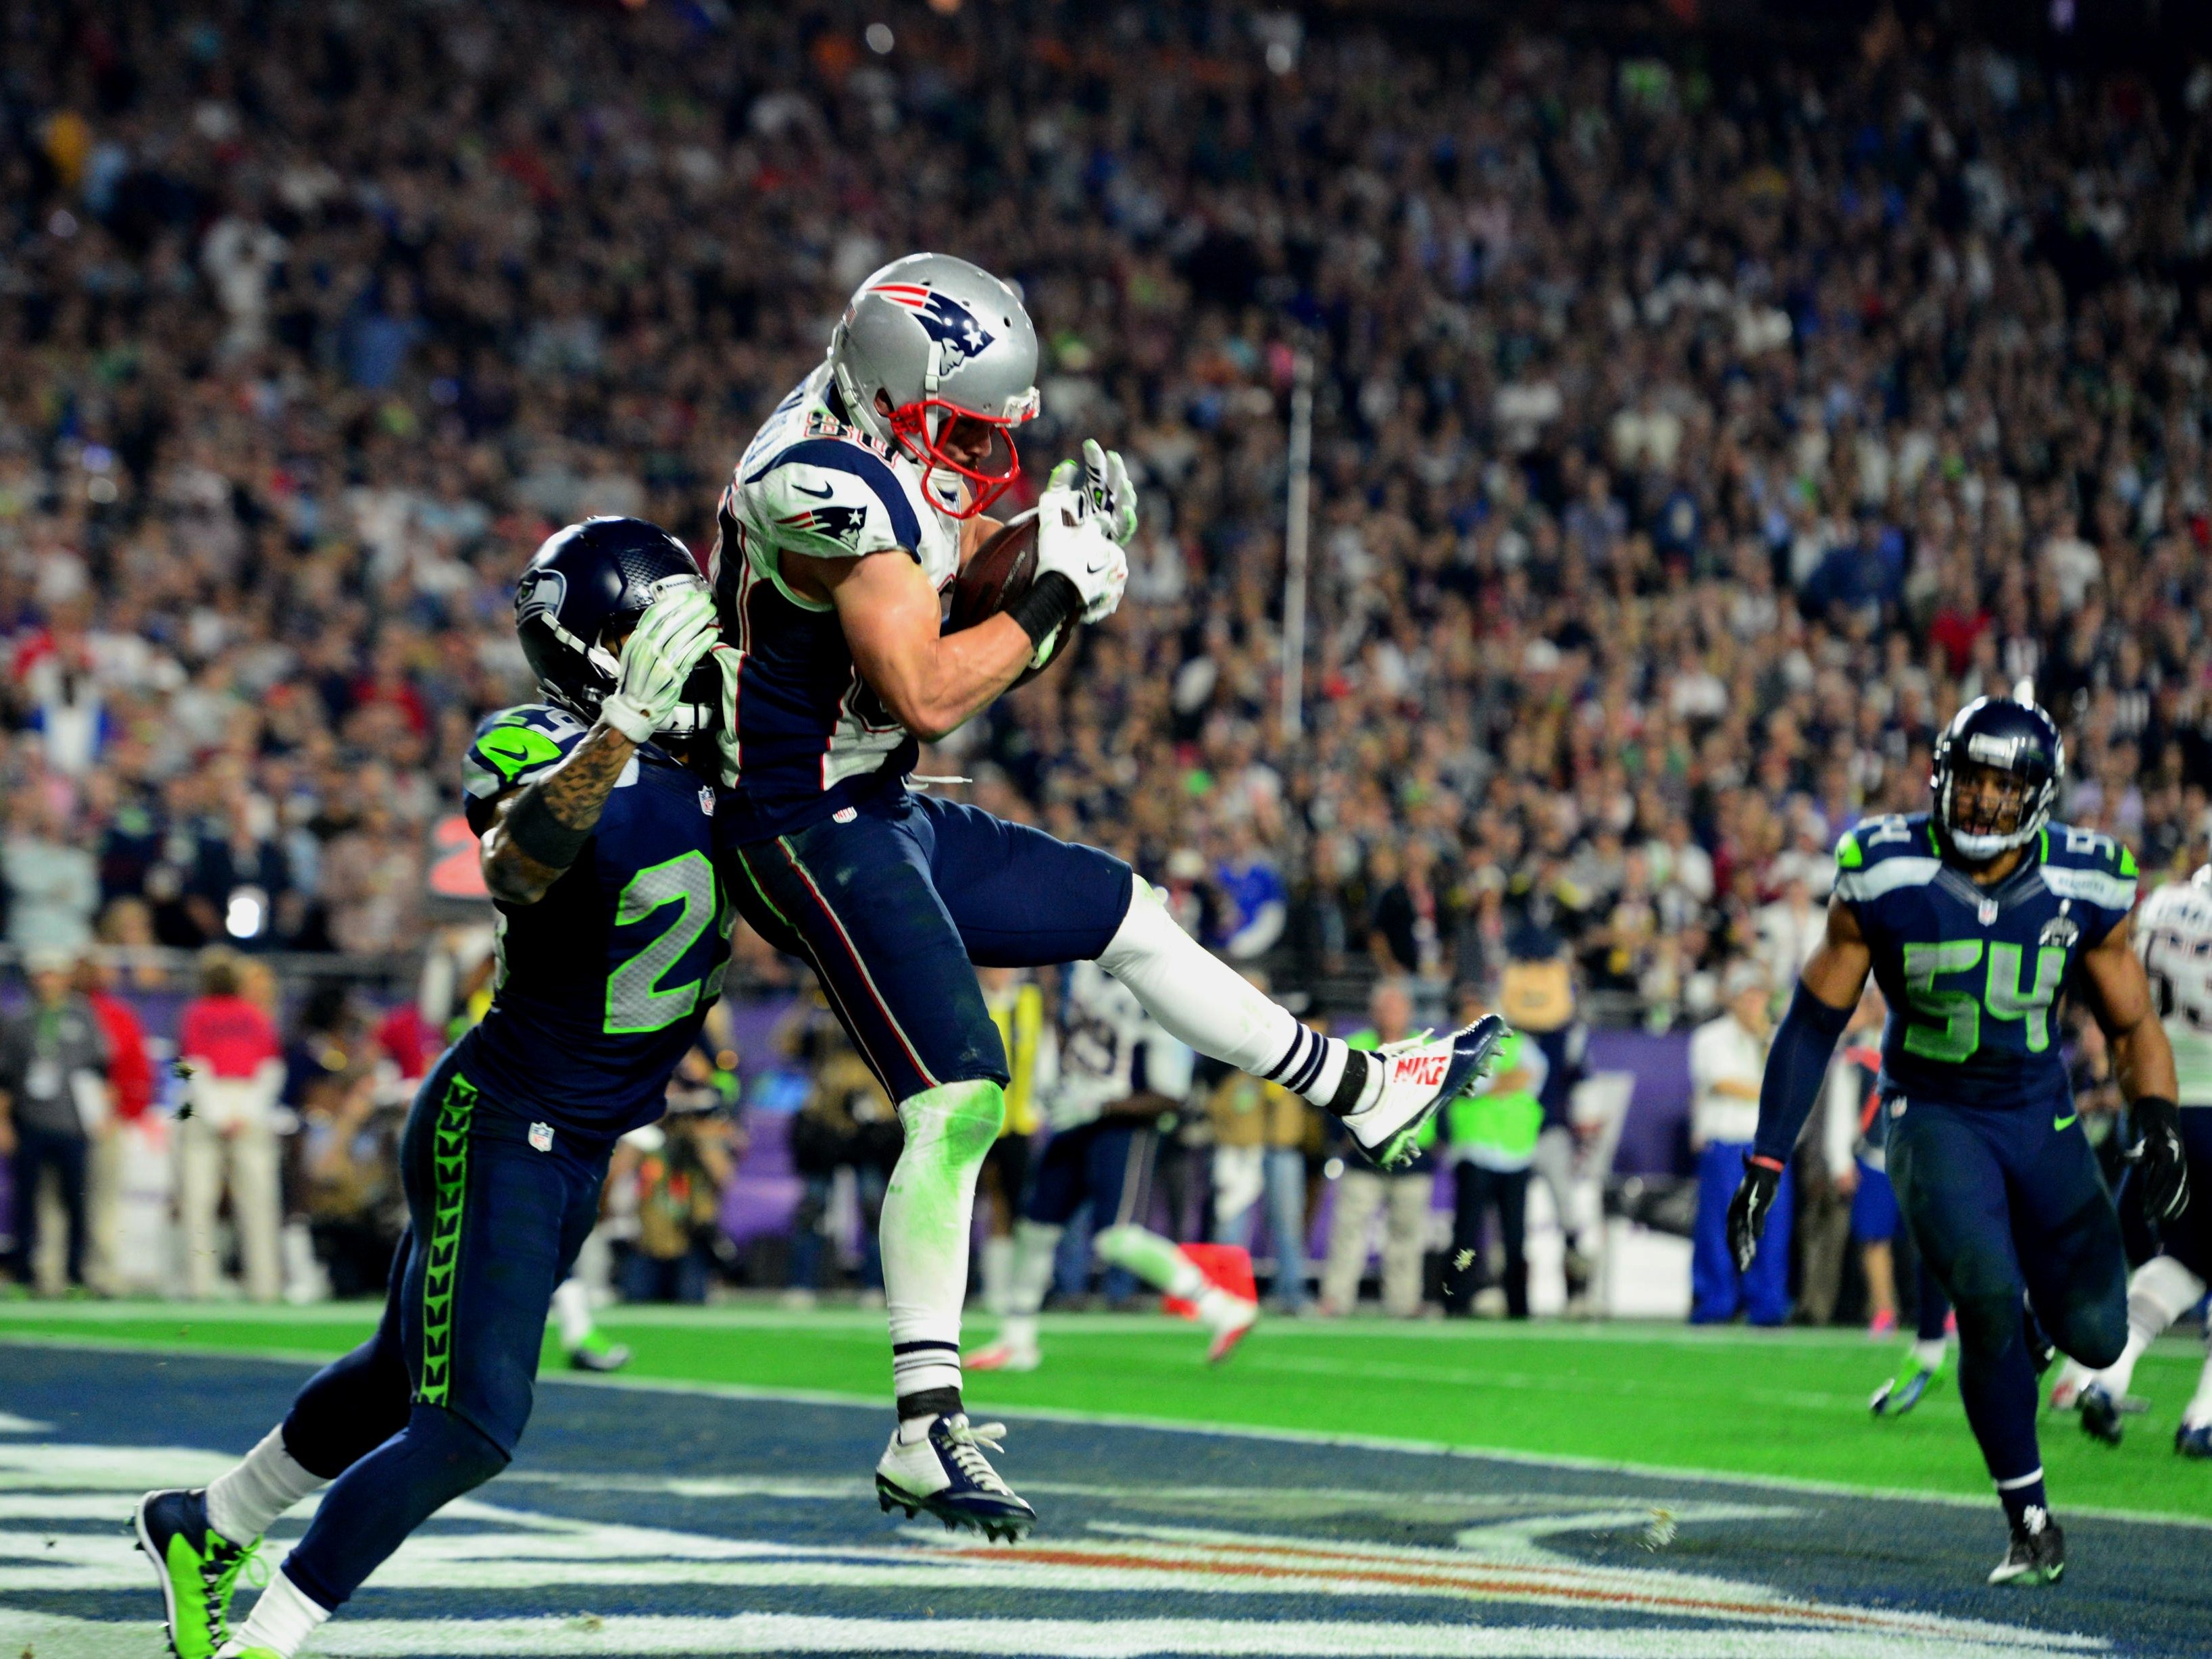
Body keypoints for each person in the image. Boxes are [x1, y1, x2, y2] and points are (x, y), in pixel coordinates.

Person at [707, 253, 1505, 1539]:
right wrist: (1049, 598)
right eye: (962, 425)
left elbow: (938, 624)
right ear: (893, 392)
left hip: (874, 800)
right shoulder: (819, 478)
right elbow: (923, 686)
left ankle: (1360, 1093)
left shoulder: (869, 439)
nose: (981, 452)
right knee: (959, 1094)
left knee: (1126, 912)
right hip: (794, 814)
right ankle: (923, 1426)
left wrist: (1037, 571)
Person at [133, 517, 727, 1659]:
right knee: (469, 1423)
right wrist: (623, 728)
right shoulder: (538, 736)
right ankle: (270, 1639)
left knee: (395, 1374)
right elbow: (516, 862)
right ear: (602, 640)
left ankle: (207, 1525)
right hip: (504, 1116)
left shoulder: (719, 757)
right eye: (662, 619)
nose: (686, 640)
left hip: (579, 1133)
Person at [1728, 696, 2188, 1587]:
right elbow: (1812, 1022)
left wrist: (2158, 1119)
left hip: (2037, 1110)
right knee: (1979, 1291)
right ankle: (2027, 1517)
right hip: (1930, 1110)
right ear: (1941, 776)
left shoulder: (2087, 878)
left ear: (2037, 797)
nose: (1979, 801)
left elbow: (2131, 1026)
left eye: (2000, 785)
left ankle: (2026, 1335)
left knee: (2096, 1334)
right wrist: (1765, 1158)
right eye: (1968, 779)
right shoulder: (1882, 864)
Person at [967, 953, 1254, 1371]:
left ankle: (1221, 1306)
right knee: (1035, 1229)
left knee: (1115, 1238)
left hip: (1123, 1125)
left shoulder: (1157, 989)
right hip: (1078, 1116)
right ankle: (1017, 1340)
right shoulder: (1083, 970)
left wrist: (1098, 1105)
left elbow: (1170, 1094)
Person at [2047, 854, 2212, 1456]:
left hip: (2153, 1104)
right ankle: (2203, 1418)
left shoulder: (2164, 904)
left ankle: (2106, 1376)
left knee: (2186, 1259)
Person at [1319, 980, 1442, 1319]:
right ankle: (1336, 1298)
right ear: (1373, 1012)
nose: (1390, 1015)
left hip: (1412, 1157)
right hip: (1362, 1157)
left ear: (1409, 1012)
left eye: (1397, 1007)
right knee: (1349, 1231)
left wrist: (1439, 1143)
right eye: (1385, 1008)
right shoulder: (1356, 1046)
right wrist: (1340, 1136)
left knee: (1407, 1235)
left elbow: (1444, 1100)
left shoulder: (1429, 1049)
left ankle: (1404, 1302)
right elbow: (1329, 1094)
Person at [175, 948, 286, 1304]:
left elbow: (192, 1065)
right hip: (247, 1103)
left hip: (209, 1104)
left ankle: (200, 1286)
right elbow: (271, 1070)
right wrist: (244, 1112)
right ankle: (264, 1285)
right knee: (258, 1201)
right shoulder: (255, 1015)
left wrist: (219, 1114)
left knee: (198, 1200)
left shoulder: (196, 1014)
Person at [0, 946, 110, 1294]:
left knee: (77, 1199)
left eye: (53, 974)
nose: (47, 981)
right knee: (26, 1200)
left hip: (73, 1123)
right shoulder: (18, 1022)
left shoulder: (83, 1016)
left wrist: (101, 1115)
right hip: (30, 1120)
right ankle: (25, 1270)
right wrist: (3, 1123)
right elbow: (5, 1078)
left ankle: (77, 1270)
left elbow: (100, 1071)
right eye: (41, 974)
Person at [1689, 962, 1785, 1325]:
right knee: (1719, 1228)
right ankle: (1716, 1301)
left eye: (1759, 995)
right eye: (1747, 995)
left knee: (1771, 1230)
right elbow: (1723, 1082)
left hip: (1767, 1147)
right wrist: (1771, 1092)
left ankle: (1767, 1305)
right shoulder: (1710, 1037)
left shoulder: (1775, 1038)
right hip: (1727, 1144)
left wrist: (1764, 1042)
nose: (1755, 1003)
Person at [1444, 989, 1544, 1319]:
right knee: (1467, 1236)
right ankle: (1457, 1301)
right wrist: (1504, 1082)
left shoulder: (1519, 1044)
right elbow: (1469, 1084)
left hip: (1515, 1154)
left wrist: (1491, 1084)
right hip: (1475, 1151)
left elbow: (1529, 1076)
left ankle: (1518, 1306)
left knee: (1515, 1238)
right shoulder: (1455, 1048)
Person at [975, 966, 1044, 1323]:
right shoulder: (972, 1003)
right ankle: (994, 1290)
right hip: (982, 1120)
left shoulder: (1031, 1001)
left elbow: (1045, 1055)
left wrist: (1042, 1102)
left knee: (1017, 1208)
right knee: (990, 1204)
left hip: (1019, 1121)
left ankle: (1016, 1291)